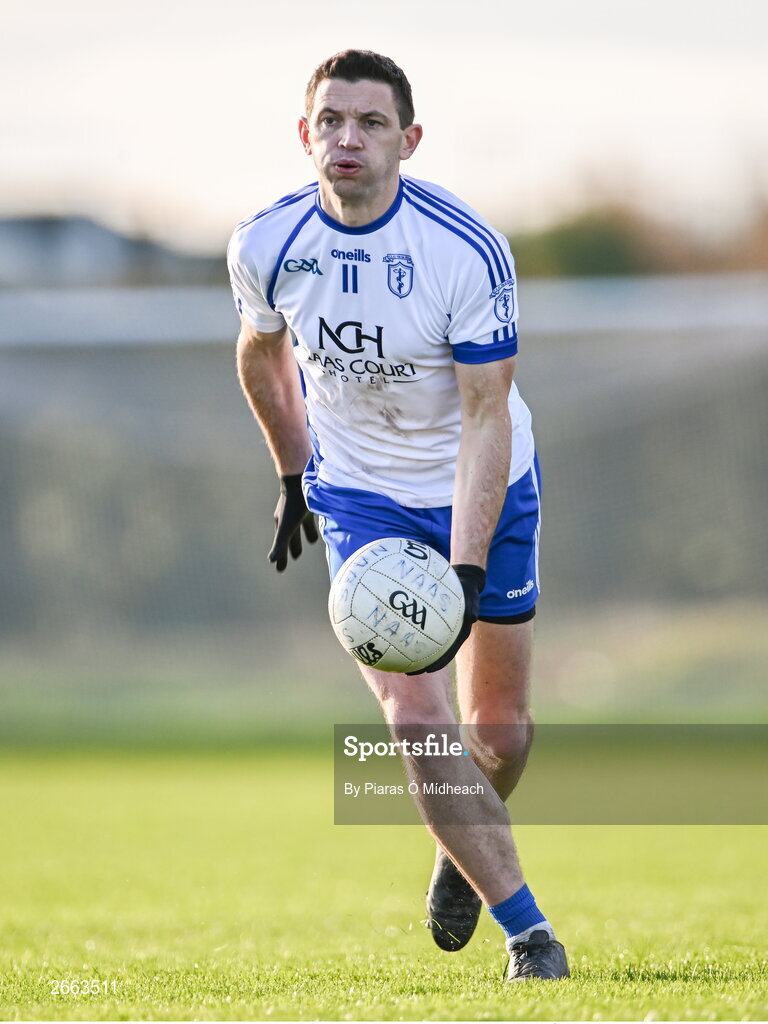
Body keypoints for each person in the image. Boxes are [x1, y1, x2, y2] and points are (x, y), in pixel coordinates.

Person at [228, 49, 569, 982]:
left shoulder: (464, 250)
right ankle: (530, 934)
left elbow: (485, 414)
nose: (349, 138)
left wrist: (464, 568)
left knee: (496, 734)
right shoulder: (265, 244)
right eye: (332, 120)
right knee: (413, 715)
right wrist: (296, 472)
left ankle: (457, 850)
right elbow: (261, 359)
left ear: (408, 141)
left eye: (371, 122)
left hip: (481, 484)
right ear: (306, 135)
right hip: (361, 497)